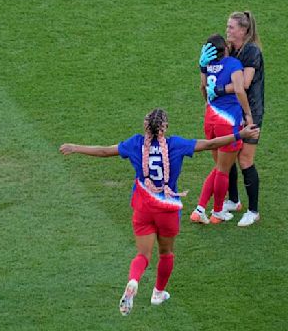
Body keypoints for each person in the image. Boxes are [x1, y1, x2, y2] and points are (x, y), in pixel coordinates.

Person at [59, 109, 259, 316]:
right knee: (166, 253)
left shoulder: (135, 144)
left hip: (143, 207)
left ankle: (134, 280)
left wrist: (75, 147)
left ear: (145, 127)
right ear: (164, 128)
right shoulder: (176, 145)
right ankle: (158, 293)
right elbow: (210, 144)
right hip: (168, 209)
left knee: (143, 255)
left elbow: (104, 151)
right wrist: (240, 135)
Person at [200, 11, 264, 227]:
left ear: (243, 30)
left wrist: (217, 89)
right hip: (233, 112)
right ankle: (234, 200)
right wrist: (203, 69)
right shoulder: (231, 51)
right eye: (227, 27)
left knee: (245, 159)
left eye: (231, 27)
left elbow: (244, 84)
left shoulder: (251, 52)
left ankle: (253, 211)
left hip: (251, 111)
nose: (227, 30)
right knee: (229, 153)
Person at [190, 34, 254, 225]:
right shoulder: (233, 64)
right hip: (227, 122)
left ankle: (203, 210)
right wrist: (248, 114)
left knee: (219, 167)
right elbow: (240, 89)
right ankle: (215, 212)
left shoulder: (207, 67)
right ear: (225, 48)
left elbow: (203, 88)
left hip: (210, 119)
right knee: (222, 170)